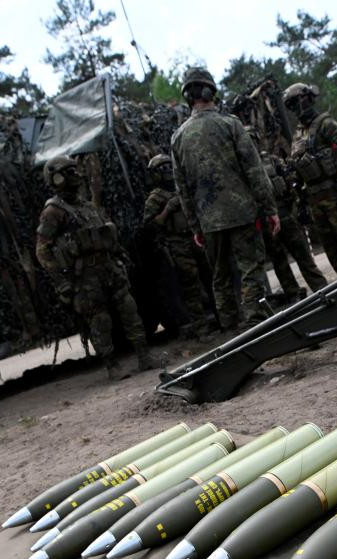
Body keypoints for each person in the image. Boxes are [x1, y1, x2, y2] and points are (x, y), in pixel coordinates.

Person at [170, 67, 280, 331]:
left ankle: (230, 329)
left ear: (188, 97)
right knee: (251, 269)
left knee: (219, 276)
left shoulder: (178, 137)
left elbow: (182, 188)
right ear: (210, 92)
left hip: (209, 222)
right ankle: (256, 322)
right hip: (242, 214)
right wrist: (270, 208)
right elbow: (255, 171)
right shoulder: (231, 125)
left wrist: (195, 226)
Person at [35, 155, 159, 378]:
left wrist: (120, 255)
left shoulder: (87, 205)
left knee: (129, 310)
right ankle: (111, 365)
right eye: (68, 172)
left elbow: (105, 233)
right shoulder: (53, 212)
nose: (75, 176)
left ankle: (144, 356)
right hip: (85, 276)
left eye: (75, 171)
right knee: (100, 319)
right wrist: (63, 281)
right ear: (57, 178)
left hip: (109, 267)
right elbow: (42, 250)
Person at [283, 82, 337, 277]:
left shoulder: (327, 124)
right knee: (332, 253)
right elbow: (296, 170)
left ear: (307, 99)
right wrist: (301, 203)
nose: (295, 109)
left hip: (334, 196)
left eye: (296, 102)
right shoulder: (298, 134)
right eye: (291, 105)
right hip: (315, 201)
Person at [248, 126, 329, 298]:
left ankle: (322, 289)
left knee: (304, 256)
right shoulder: (242, 171)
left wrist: (296, 205)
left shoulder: (272, 160)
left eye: (252, 139)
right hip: (264, 222)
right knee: (279, 263)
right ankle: (294, 296)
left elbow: (291, 182)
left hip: (284, 214)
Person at [142, 154, 211, 340]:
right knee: (191, 286)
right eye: (161, 168)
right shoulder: (155, 198)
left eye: (167, 166)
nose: (166, 172)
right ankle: (201, 329)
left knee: (212, 278)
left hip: (196, 237)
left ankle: (226, 319)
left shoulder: (183, 186)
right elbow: (149, 227)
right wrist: (167, 210)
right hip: (177, 243)